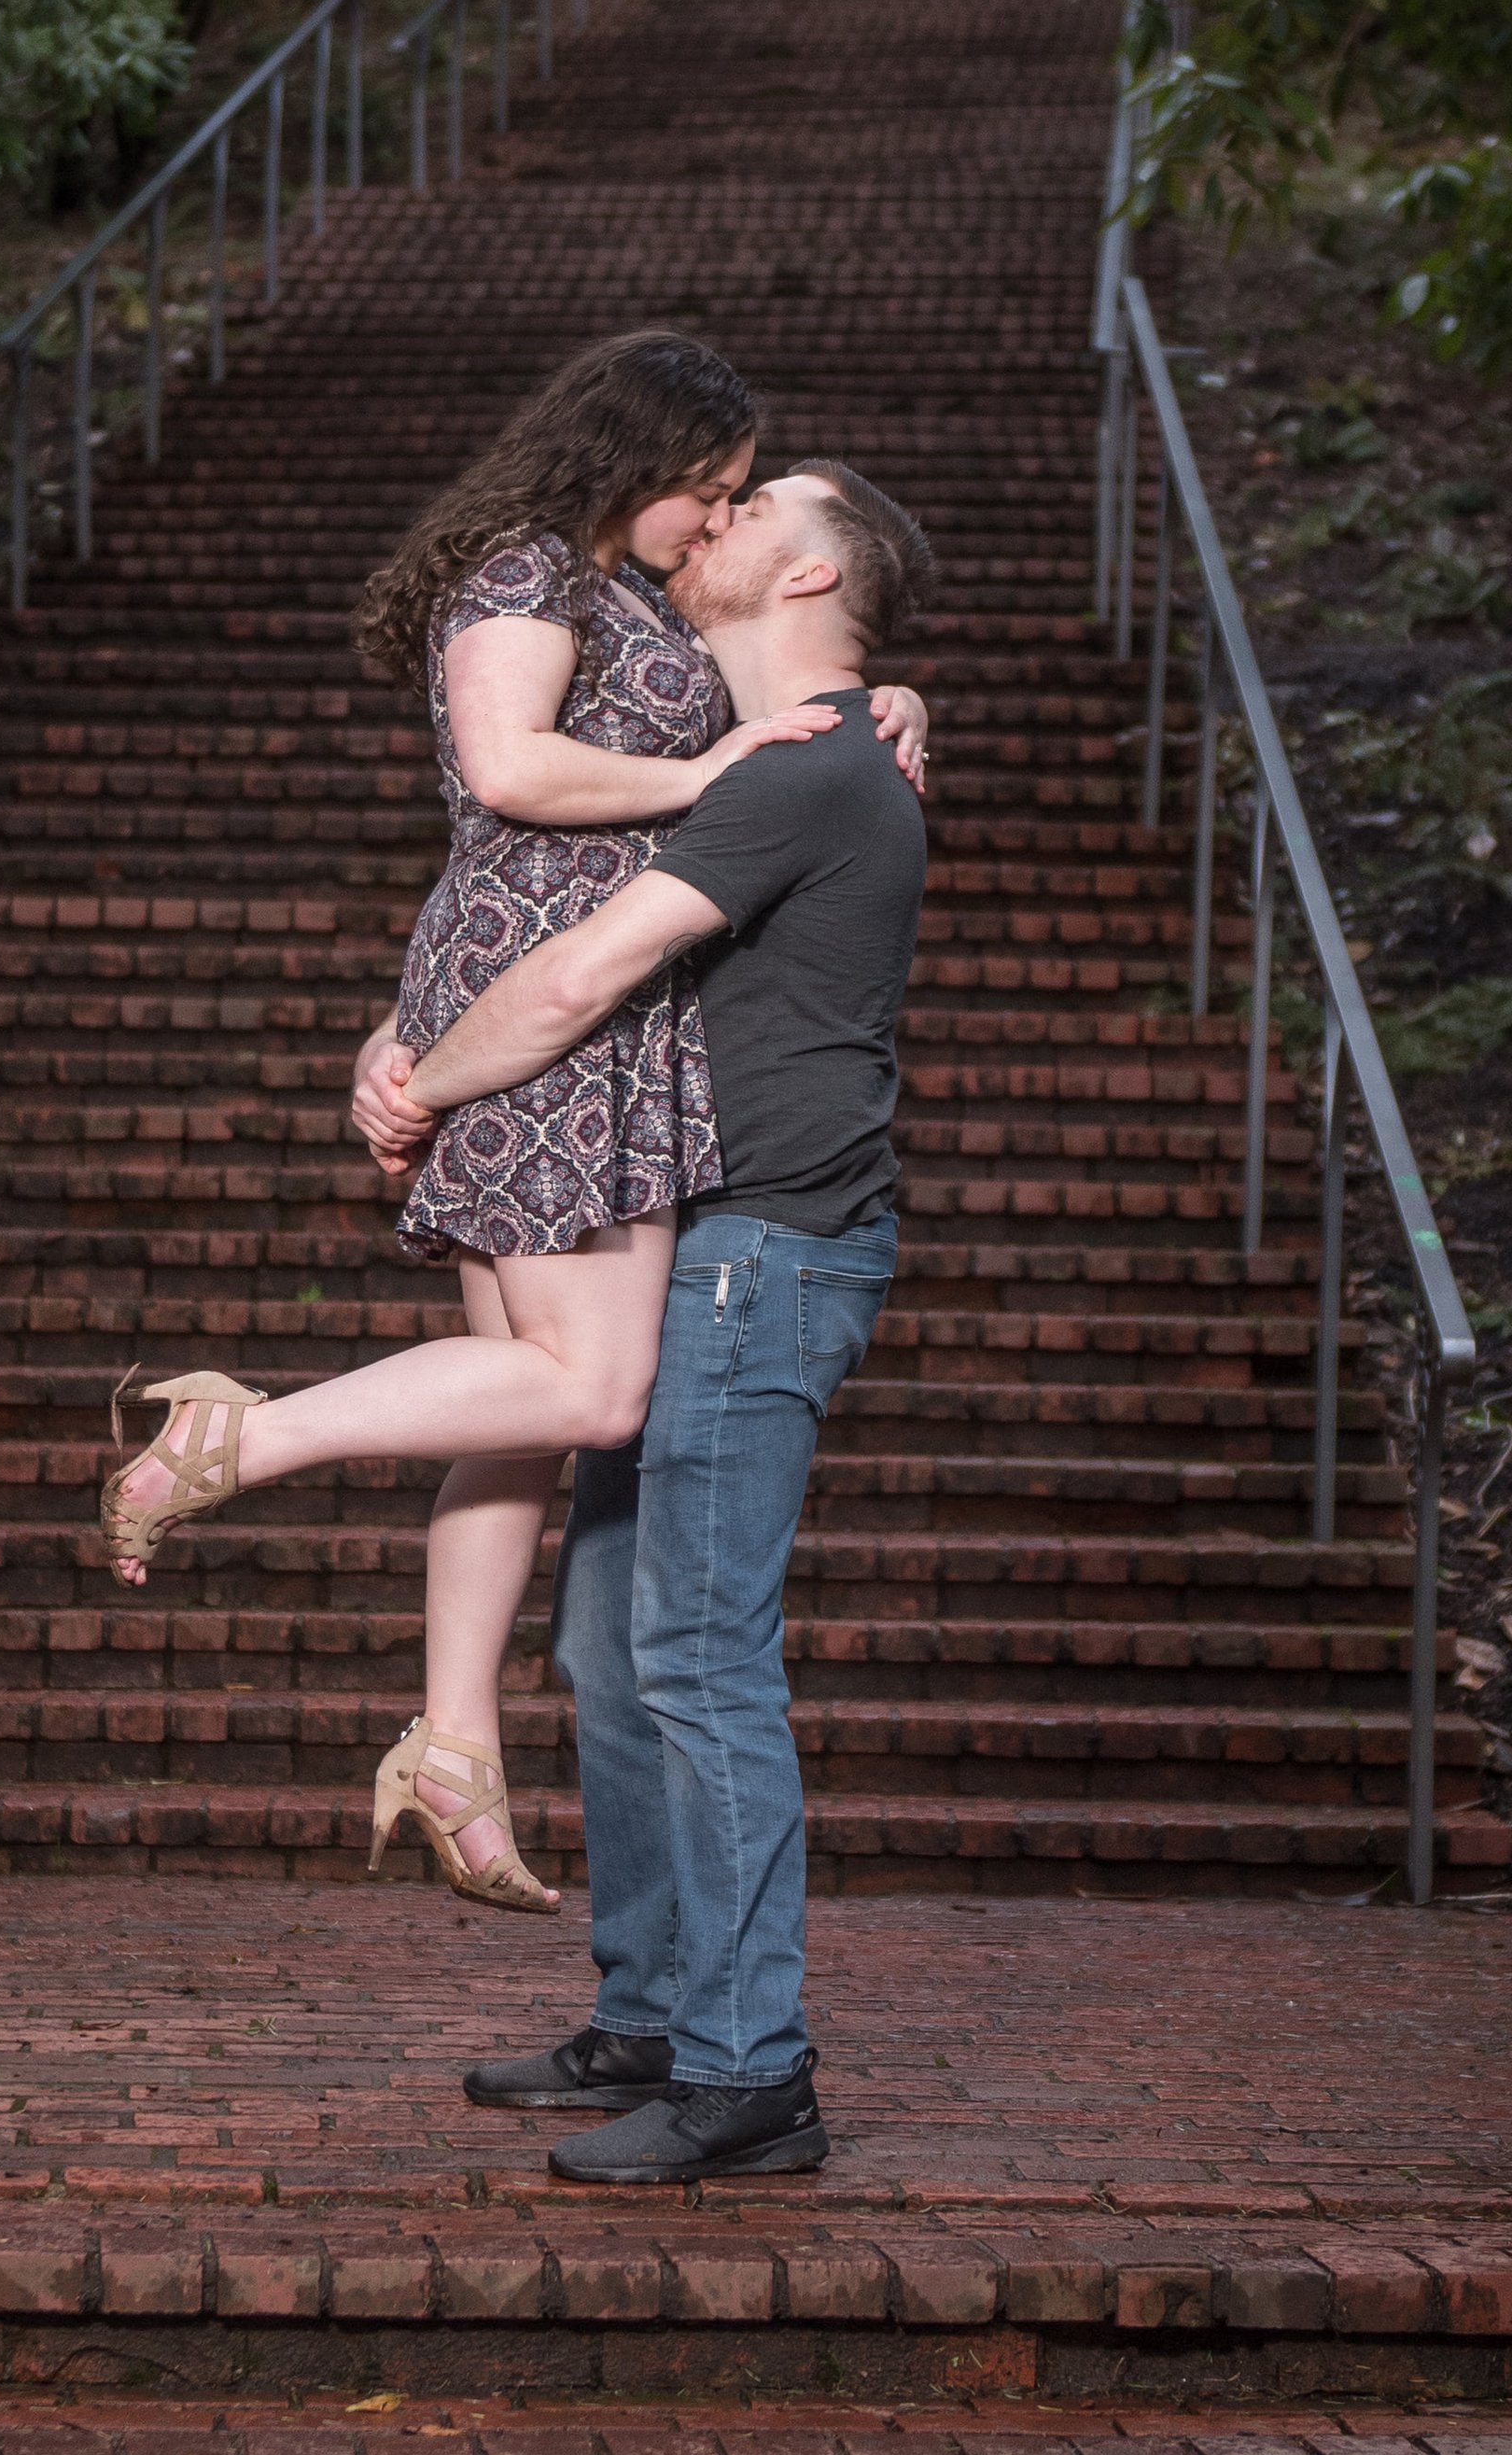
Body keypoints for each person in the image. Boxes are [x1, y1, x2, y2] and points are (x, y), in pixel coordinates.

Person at [96, 334, 926, 1920]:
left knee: (519, 1419)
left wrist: (881, 685)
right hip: (562, 990)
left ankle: (456, 1742)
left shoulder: (630, 586)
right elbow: (504, 765)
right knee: (592, 1385)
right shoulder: (524, 567)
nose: (720, 516)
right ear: (644, 458)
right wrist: (710, 767)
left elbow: (795, 653)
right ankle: (238, 1433)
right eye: (714, 488)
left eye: (745, 501)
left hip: (593, 991)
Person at [353, 459, 931, 2182]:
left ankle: (753, 2073)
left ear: (818, 577)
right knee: (611, 1649)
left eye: (765, 512)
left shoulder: (810, 769)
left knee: (693, 1653)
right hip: (689, 1247)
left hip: (766, 1256)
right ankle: (659, 2014)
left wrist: (414, 1094)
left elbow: (577, 977)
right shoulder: (795, 757)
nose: (720, 522)